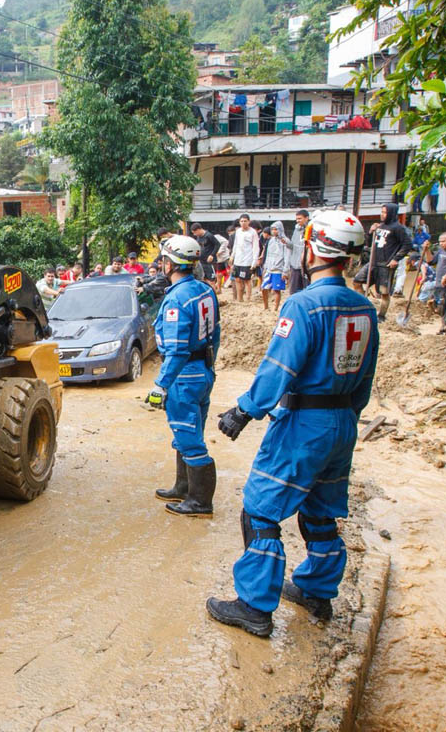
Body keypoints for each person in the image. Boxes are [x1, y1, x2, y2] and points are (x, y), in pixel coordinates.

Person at [206, 210, 378, 638]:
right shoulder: (365, 308)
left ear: (315, 249)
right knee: (319, 512)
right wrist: (344, 419)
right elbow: (366, 380)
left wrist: (244, 410)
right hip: (343, 422)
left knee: (260, 511)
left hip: (305, 421)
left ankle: (254, 608)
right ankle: (318, 593)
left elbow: (279, 367)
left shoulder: (303, 304)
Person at [145, 235, 220, 517]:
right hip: (202, 372)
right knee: (189, 432)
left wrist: (161, 385)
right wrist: (209, 368)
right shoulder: (205, 290)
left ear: (171, 263)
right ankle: (183, 487)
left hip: (183, 375)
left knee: (189, 438)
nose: (161, 264)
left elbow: (175, 351)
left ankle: (200, 502)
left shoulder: (177, 298)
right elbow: (216, 334)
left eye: (163, 259)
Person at [365, 203, 408, 320]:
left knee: (384, 291)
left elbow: (407, 244)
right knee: (357, 281)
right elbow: (369, 244)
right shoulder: (380, 226)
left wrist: (396, 258)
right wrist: (371, 231)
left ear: (391, 213)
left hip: (386, 263)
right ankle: (363, 308)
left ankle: (382, 315)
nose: (382, 214)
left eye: (385, 212)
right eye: (382, 212)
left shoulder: (398, 228)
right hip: (373, 261)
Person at [261, 222, 291, 312]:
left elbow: (287, 256)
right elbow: (268, 254)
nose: (274, 231)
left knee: (276, 290)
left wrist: (285, 271)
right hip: (269, 268)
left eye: (275, 229)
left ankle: (275, 308)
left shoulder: (285, 240)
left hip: (279, 269)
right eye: (272, 229)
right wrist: (265, 267)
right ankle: (266, 307)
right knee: (264, 288)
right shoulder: (271, 240)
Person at [231, 214, 260, 302]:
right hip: (238, 260)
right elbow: (235, 244)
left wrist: (254, 261)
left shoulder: (253, 232)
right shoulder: (238, 231)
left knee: (247, 280)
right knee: (237, 279)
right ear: (239, 222)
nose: (243, 223)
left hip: (247, 260)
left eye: (245, 221)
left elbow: (256, 247)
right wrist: (232, 255)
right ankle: (240, 298)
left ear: (249, 222)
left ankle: (248, 298)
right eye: (241, 221)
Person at [287, 210, 309, 295]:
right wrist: (286, 242)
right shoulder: (296, 230)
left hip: (306, 266)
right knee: (294, 290)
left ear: (306, 218)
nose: (298, 221)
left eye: (300, 218)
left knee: (307, 289)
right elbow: (292, 246)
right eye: (297, 219)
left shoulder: (311, 230)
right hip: (295, 265)